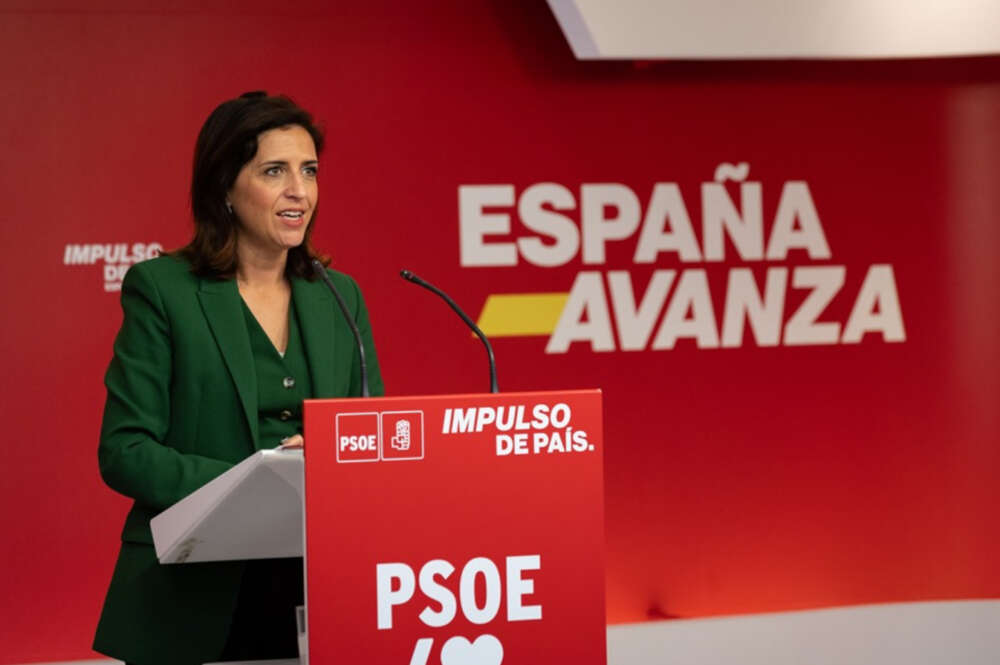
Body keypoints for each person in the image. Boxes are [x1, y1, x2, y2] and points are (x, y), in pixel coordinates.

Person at [93, 91, 384, 665]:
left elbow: (370, 439)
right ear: (224, 186)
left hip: (316, 588)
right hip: (192, 591)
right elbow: (124, 450)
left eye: (309, 171)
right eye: (274, 171)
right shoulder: (162, 289)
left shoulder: (338, 295)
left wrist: (330, 454)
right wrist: (256, 483)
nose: (298, 191)